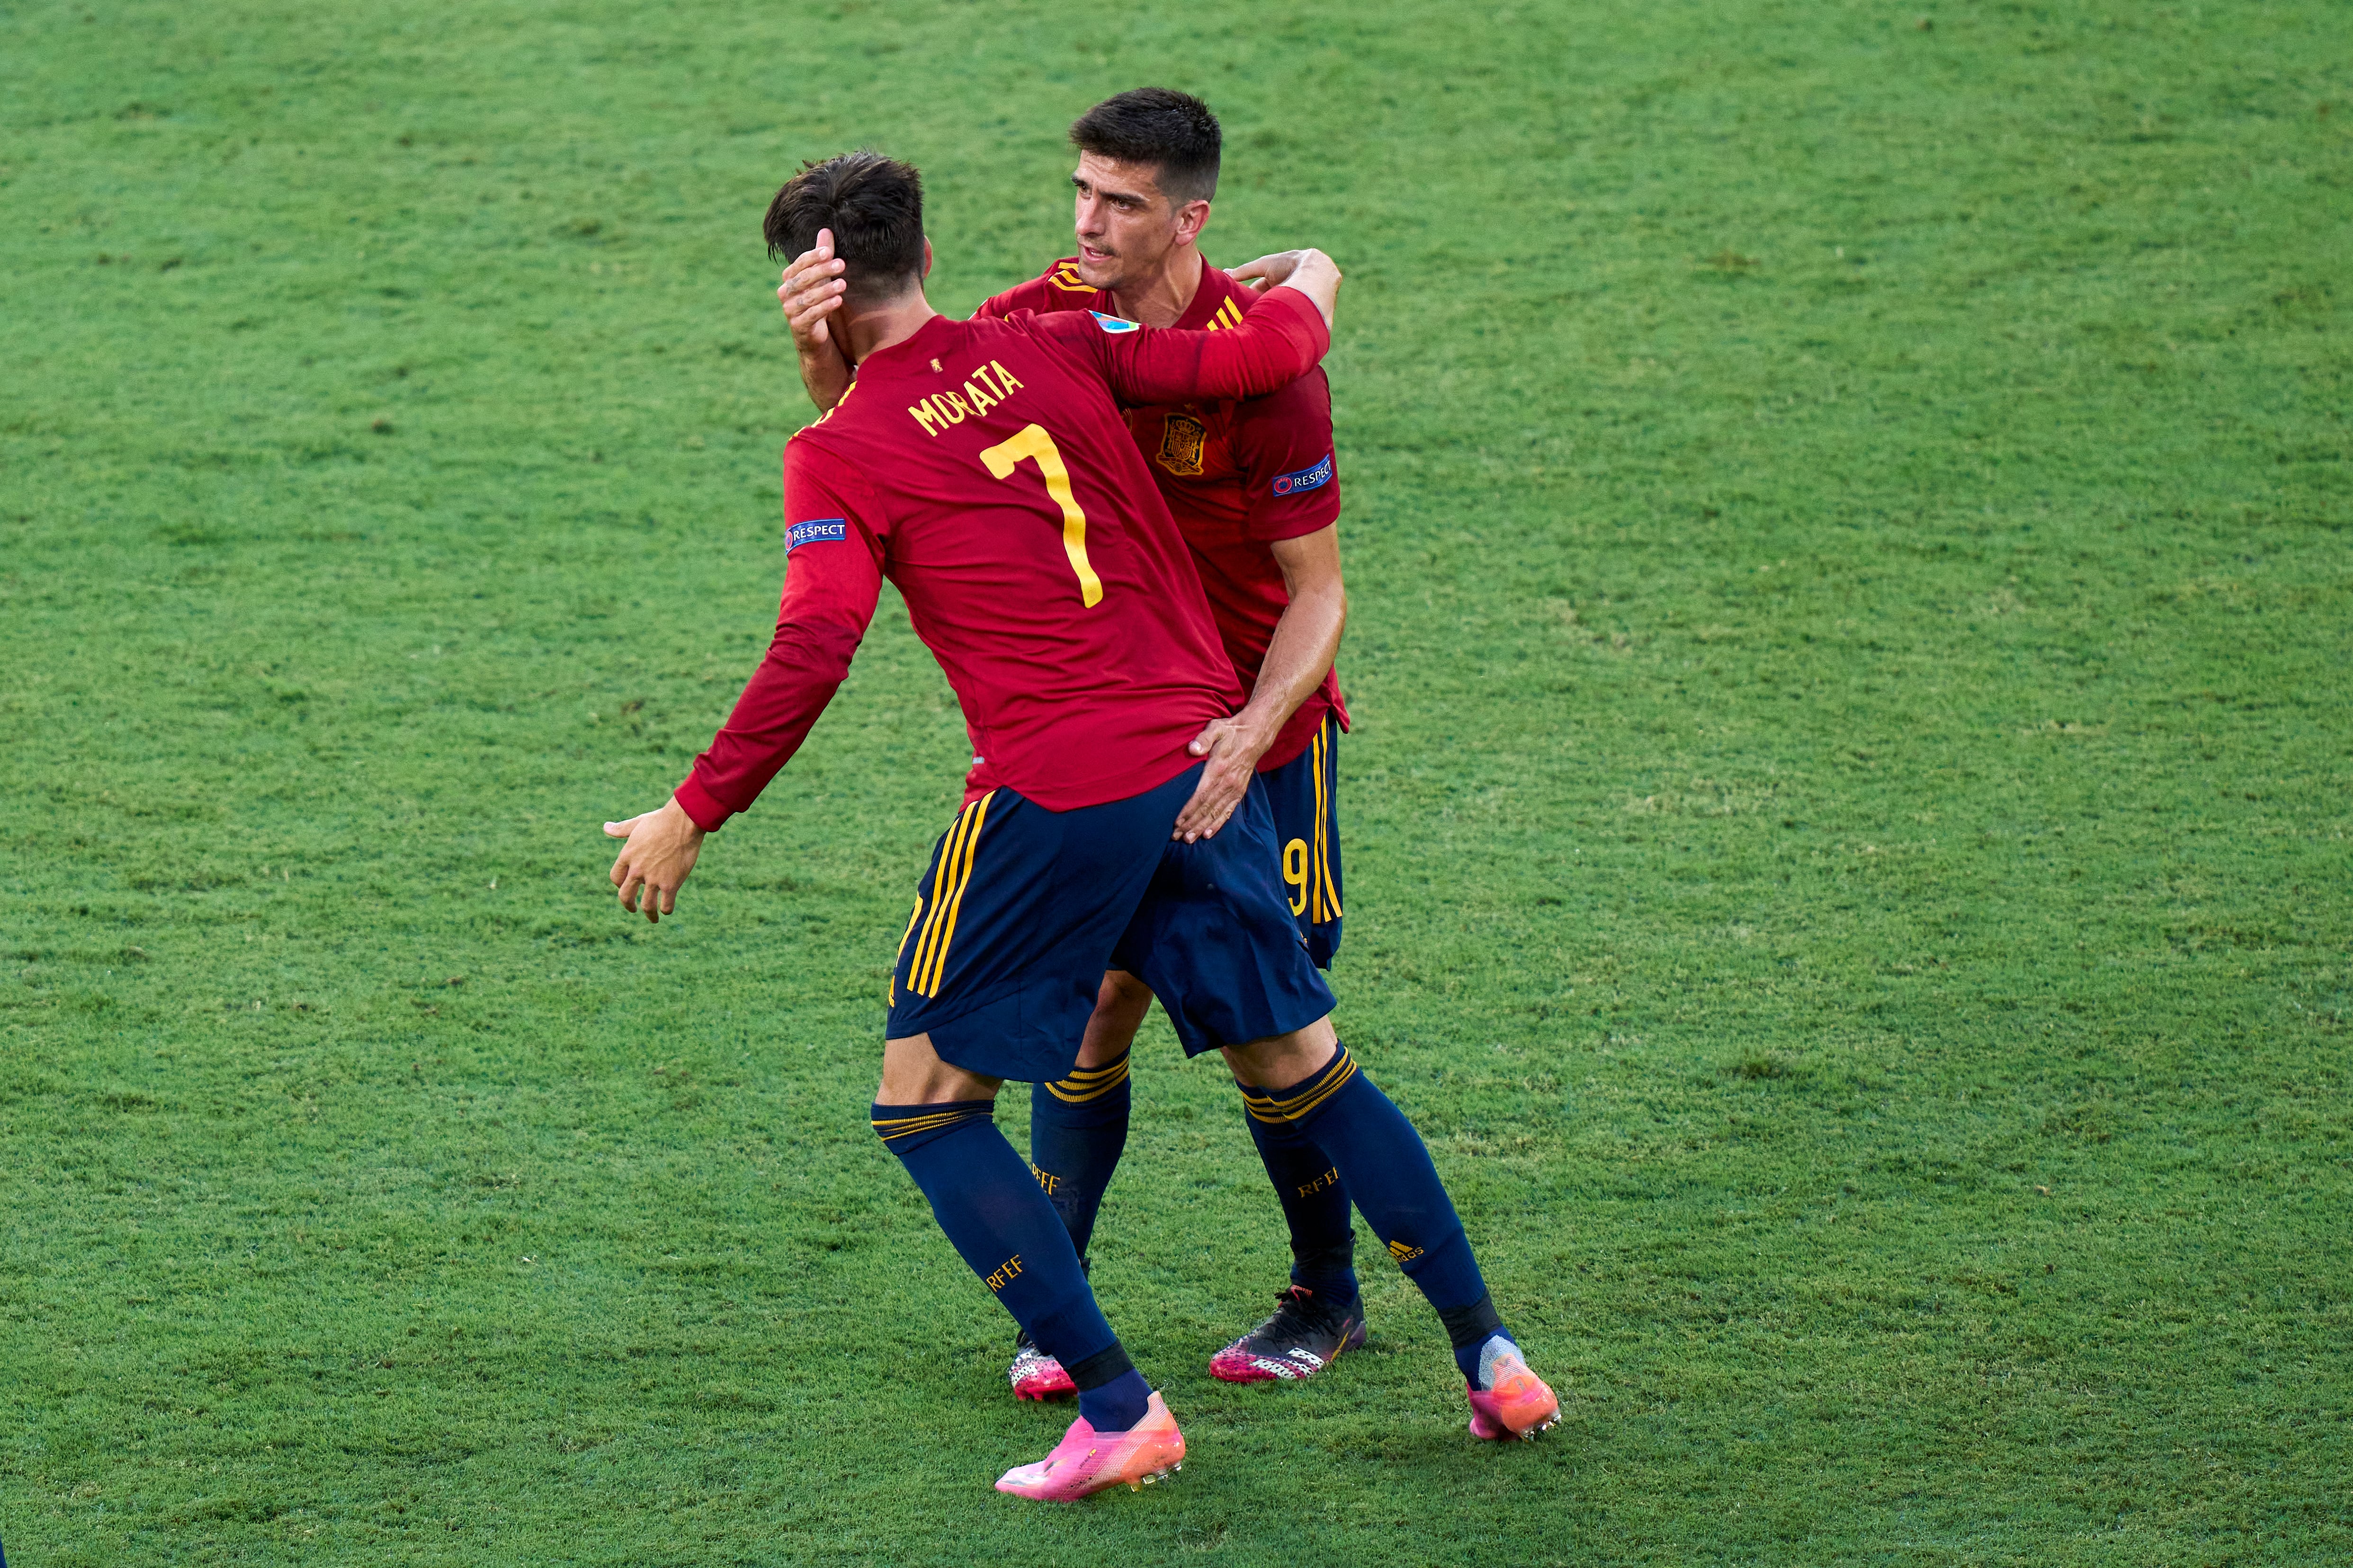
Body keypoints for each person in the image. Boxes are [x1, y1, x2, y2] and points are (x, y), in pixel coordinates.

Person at [604, 149, 1557, 1501]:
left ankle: (1115, 1406)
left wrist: (693, 809)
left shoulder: (833, 453)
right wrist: (1324, 278)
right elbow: (1242, 362)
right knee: (1306, 1062)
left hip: (1055, 790)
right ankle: (1493, 1358)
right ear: (924, 257)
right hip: (1199, 758)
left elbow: (814, 649)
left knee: (925, 1103)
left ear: (807, 289)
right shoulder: (1051, 344)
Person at [778, 89, 1362, 1400]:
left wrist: (1253, 727)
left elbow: (1313, 582)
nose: (1088, 222)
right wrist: (821, 349)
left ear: (1188, 217)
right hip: (1119, 728)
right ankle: (1061, 1299)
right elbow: (886, 407)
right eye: (1080, 193)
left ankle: (1326, 1293)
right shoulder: (1029, 325)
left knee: (1271, 1026)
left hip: (1259, 729)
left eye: (1121, 201)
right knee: (1093, 1006)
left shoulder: (1267, 357)